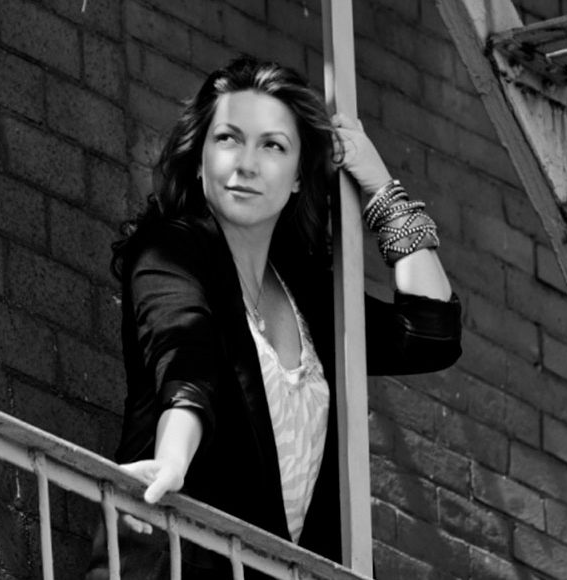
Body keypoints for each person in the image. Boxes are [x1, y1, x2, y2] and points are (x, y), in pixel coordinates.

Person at [86, 56, 462, 579]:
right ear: (199, 160)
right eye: (228, 139)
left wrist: (381, 190)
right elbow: (185, 362)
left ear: (297, 178)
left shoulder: (305, 292)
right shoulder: (171, 251)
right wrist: (172, 459)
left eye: (273, 146)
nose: (246, 164)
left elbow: (430, 334)